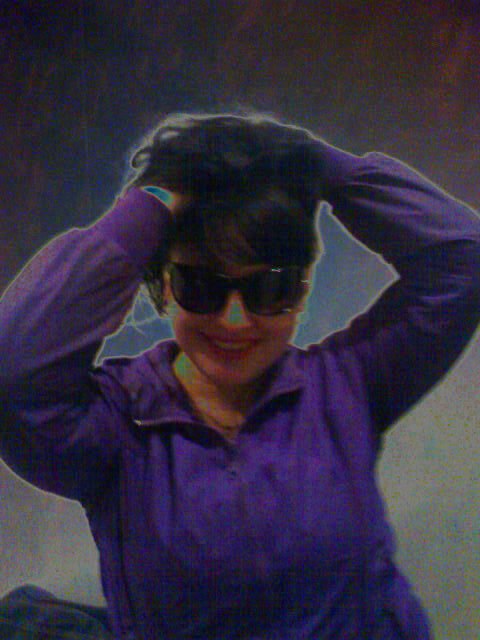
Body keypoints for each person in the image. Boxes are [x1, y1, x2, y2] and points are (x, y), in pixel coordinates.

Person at [0, 112, 479, 640]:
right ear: (166, 282)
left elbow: (465, 259)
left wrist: (310, 161)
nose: (234, 320)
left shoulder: (349, 384)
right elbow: (11, 376)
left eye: (269, 289)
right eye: (202, 285)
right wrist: (155, 199)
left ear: (300, 291)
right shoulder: (115, 423)